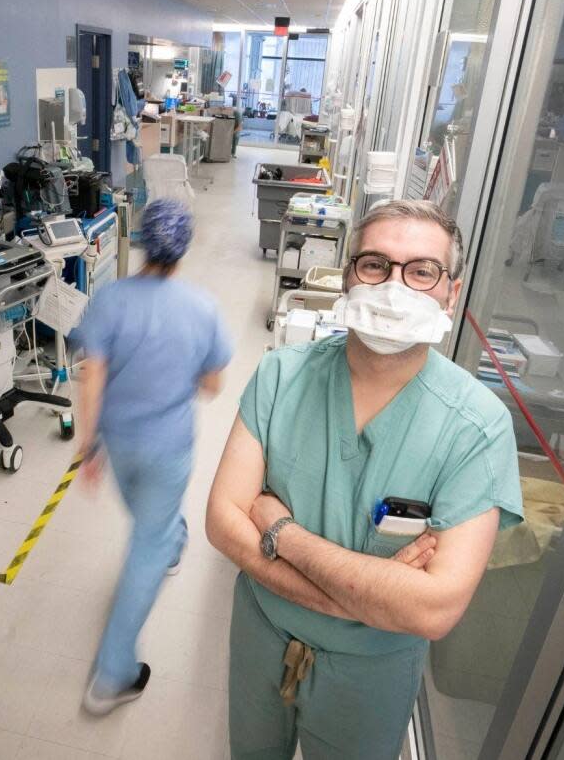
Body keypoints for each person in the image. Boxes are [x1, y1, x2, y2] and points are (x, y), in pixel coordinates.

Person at [206, 200, 523, 759]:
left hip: (371, 670)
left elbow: (434, 608)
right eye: (374, 265)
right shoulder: (283, 376)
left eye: (422, 271)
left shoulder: (476, 426)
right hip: (261, 633)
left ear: (452, 290)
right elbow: (222, 521)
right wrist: (359, 597)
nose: (394, 288)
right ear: (349, 274)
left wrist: (282, 532)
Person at [75, 198, 233, 715]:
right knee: (148, 541)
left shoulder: (110, 298)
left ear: (142, 242)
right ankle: (113, 673)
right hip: (169, 446)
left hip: (120, 444)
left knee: (152, 518)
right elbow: (212, 386)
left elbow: (91, 376)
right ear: (183, 248)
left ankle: (169, 542)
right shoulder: (202, 308)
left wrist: (88, 446)